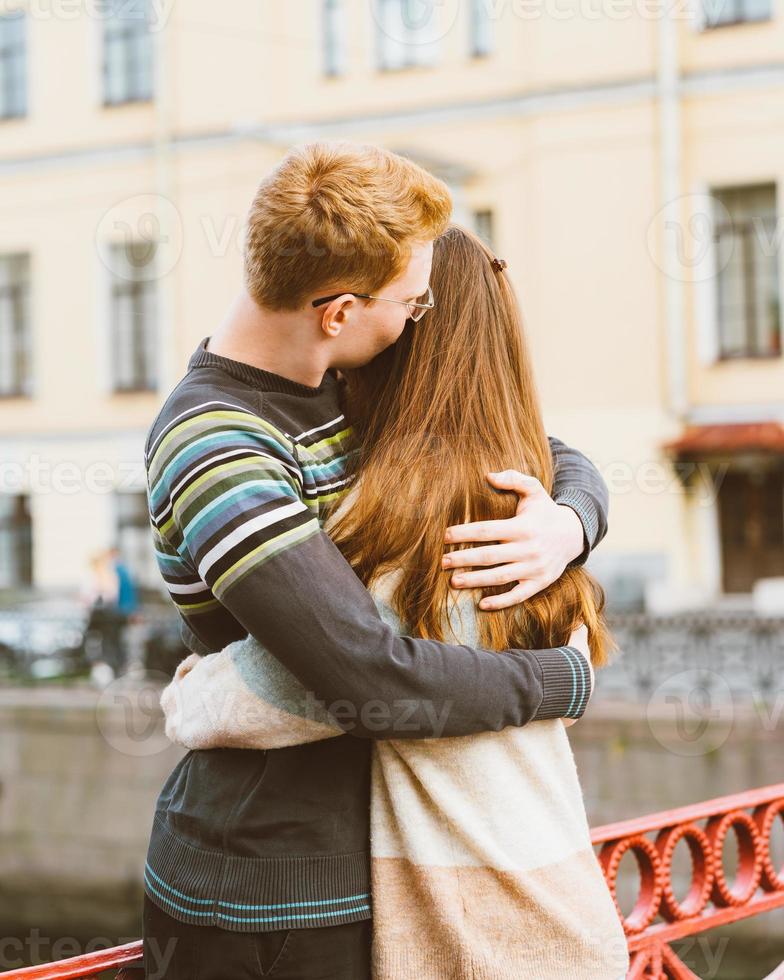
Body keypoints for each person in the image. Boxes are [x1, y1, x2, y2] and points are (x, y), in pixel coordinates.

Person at [141, 143, 610, 980]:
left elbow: (525, 447)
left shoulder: (345, 385)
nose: (420, 314)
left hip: (370, 871)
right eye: (411, 300)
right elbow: (366, 677)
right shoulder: (217, 444)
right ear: (339, 309)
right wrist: (558, 681)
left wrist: (569, 521)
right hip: (267, 894)